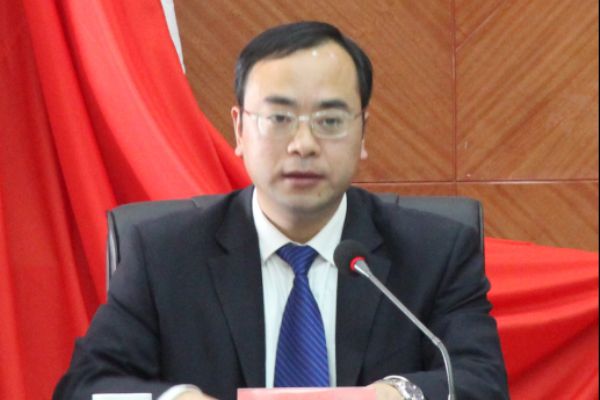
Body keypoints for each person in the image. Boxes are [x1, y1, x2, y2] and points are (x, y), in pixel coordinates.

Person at [54, 21, 508, 400]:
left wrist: (395, 395)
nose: (303, 145)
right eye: (279, 118)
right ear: (239, 129)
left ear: (363, 133)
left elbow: (481, 383)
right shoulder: (164, 255)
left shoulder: (436, 252)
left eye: (330, 121)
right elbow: (85, 387)